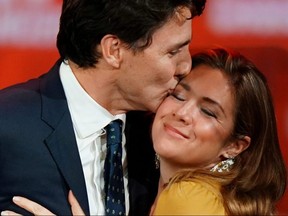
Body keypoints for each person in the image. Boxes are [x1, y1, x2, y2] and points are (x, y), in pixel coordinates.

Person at [5, 48, 286, 215]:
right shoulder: (184, 191)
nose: (182, 113)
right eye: (178, 95)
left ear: (235, 146)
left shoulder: (189, 199)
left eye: (208, 112)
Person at [0, 0, 206, 215]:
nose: (186, 66)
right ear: (113, 50)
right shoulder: (6, 124)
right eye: (173, 52)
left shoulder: (163, 137)